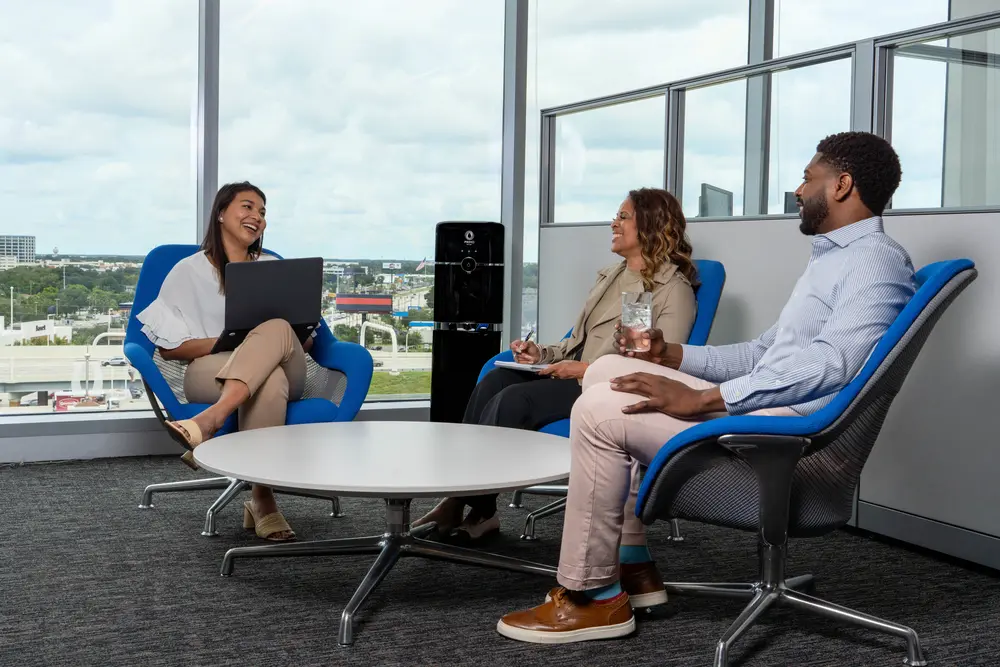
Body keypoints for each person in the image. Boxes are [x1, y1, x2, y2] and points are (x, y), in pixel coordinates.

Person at [496, 131, 917, 643]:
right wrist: (668, 354)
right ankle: (632, 563)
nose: (798, 189)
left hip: (789, 436)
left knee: (599, 412)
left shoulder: (874, 260)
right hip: (770, 414)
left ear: (843, 185)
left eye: (809, 178)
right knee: (609, 373)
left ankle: (593, 596)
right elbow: (765, 352)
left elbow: (837, 364)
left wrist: (705, 398)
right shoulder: (832, 258)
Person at [414, 188, 700, 543]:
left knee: (515, 401)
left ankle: (464, 503)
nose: (613, 223)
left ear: (651, 226)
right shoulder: (610, 276)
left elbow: (659, 367)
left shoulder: (674, 289)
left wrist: (584, 370)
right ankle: (475, 506)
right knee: (495, 379)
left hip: (610, 388)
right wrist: (541, 354)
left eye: (622, 217)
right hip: (577, 375)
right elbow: (575, 342)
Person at [136, 181, 313, 543]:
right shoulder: (188, 271)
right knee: (269, 381)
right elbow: (170, 349)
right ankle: (262, 498)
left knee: (278, 330)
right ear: (220, 213)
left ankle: (210, 420)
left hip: (286, 361)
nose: (257, 217)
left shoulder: (273, 267)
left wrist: (295, 326)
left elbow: (305, 340)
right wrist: (230, 341)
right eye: (247, 207)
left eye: (263, 212)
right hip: (210, 367)